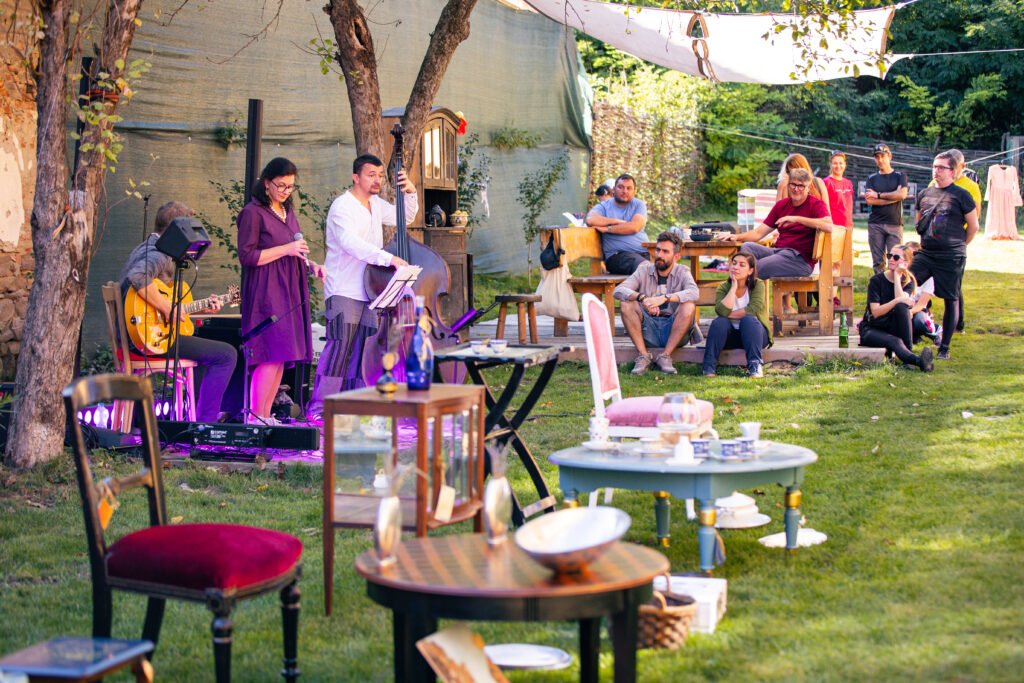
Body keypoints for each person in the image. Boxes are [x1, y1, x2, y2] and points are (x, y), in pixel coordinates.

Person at [307, 154, 415, 418]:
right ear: (356, 177)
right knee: (339, 348)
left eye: (379, 175)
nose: (377, 180)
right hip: (344, 289)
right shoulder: (342, 206)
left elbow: (406, 217)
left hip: (371, 290)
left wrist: (410, 192)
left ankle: (352, 405)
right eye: (370, 175)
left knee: (362, 352)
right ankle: (320, 408)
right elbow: (351, 243)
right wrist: (388, 258)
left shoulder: (376, 204)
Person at [118, 201, 236, 422]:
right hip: (148, 338)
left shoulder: (145, 247)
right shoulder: (159, 254)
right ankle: (205, 424)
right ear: (177, 230)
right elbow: (137, 277)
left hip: (135, 336)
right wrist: (168, 309)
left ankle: (197, 417)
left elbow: (163, 300)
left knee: (206, 351)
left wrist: (199, 308)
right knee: (226, 355)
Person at [237, 158, 324, 425]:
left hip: (290, 288)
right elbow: (247, 256)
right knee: (269, 352)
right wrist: (287, 249)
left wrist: (311, 264)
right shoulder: (253, 213)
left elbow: (293, 249)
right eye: (281, 185)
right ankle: (256, 416)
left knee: (282, 354)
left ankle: (266, 415)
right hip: (267, 290)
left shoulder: (288, 211)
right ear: (267, 183)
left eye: (290, 186)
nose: (286, 191)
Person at [909, 151, 979, 360]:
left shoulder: (962, 195)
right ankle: (904, 334)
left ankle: (944, 347)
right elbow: (919, 221)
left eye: (941, 167)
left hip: (951, 256)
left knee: (951, 298)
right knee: (904, 284)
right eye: (934, 166)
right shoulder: (924, 193)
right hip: (926, 253)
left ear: (953, 171)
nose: (936, 171)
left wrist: (959, 246)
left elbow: (974, 226)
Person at [613, 231, 701, 375]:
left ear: (676, 256)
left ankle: (665, 356)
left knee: (688, 305)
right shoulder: (643, 270)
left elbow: (694, 293)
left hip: (674, 330)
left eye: (665, 251)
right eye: (658, 250)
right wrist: (642, 298)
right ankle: (643, 356)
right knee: (626, 303)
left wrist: (665, 298)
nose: (659, 255)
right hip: (648, 329)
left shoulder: (683, 271)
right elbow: (618, 290)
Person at [724, 168, 834, 278]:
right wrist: (736, 236)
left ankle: (737, 285)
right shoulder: (781, 205)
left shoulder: (816, 205)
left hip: (800, 260)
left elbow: (829, 226)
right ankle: (743, 284)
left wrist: (796, 219)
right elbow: (758, 233)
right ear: (789, 185)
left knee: (754, 267)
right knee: (747, 247)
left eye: (801, 186)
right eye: (793, 185)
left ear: (808, 188)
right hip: (778, 252)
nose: (796, 189)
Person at [927, 149, 981, 332]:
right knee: (925, 280)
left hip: (955, 242)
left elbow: (974, 218)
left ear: (962, 167)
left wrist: (961, 243)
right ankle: (923, 316)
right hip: (933, 241)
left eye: (953, 167)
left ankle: (958, 324)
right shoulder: (934, 183)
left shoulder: (970, 187)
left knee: (953, 285)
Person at [858, 244, 934, 372]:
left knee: (902, 308)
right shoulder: (876, 281)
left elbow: (901, 304)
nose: (891, 259)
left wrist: (898, 278)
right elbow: (875, 312)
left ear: (906, 263)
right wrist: (896, 301)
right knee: (896, 341)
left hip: (892, 326)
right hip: (872, 328)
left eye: (896, 257)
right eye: (889, 256)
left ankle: (910, 357)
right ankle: (918, 361)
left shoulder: (908, 282)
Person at [701, 253, 772, 378]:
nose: (735, 267)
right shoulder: (723, 287)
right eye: (734, 263)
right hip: (730, 337)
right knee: (719, 322)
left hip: (755, 336)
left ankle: (755, 366)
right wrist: (733, 287)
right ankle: (708, 368)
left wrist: (727, 314)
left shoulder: (758, 285)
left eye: (741, 265)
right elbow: (720, 311)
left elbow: (753, 309)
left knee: (748, 320)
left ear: (750, 271)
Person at [586, 173, 650, 275]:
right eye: (621, 187)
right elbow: (591, 220)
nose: (625, 191)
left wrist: (608, 229)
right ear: (613, 190)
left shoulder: (639, 204)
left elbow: (635, 226)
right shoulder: (604, 206)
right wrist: (617, 221)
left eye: (629, 188)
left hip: (645, 253)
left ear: (634, 191)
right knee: (647, 269)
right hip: (618, 256)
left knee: (667, 266)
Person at [862, 143, 908, 273]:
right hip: (875, 224)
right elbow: (870, 201)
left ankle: (895, 285)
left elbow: (902, 195)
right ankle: (880, 284)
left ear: (889, 156)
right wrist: (894, 196)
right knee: (878, 262)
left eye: (883, 156)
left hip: (895, 223)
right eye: (877, 157)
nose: (880, 160)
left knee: (896, 260)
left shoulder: (900, 176)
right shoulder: (871, 178)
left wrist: (878, 195)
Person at [902, 242, 942, 345]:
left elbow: (921, 304)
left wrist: (909, 312)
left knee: (918, 321)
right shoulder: (899, 273)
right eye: (906, 255)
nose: (910, 259)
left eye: (913, 255)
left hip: (917, 309)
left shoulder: (929, 277)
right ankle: (914, 336)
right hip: (900, 307)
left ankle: (934, 331)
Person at [822, 150, 854, 230]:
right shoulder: (826, 182)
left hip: (848, 226)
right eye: (835, 163)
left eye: (840, 163)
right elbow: (822, 207)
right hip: (833, 227)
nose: (838, 166)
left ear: (845, 164)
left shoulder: (849, 183)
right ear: (830, 164)